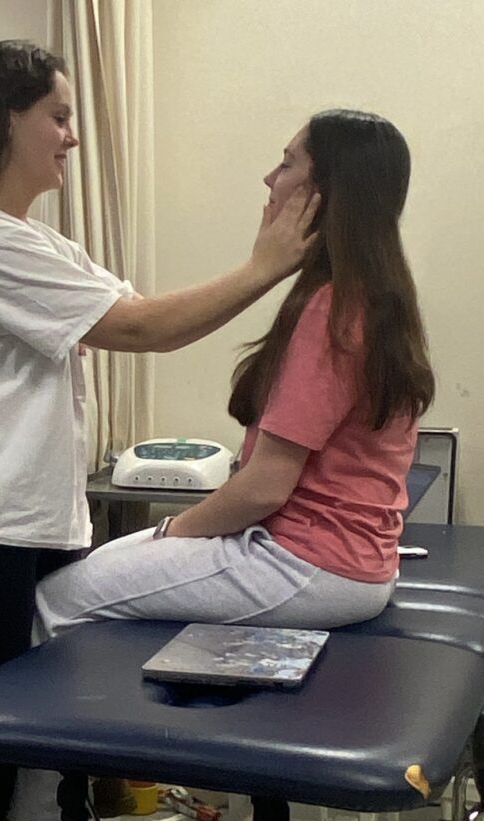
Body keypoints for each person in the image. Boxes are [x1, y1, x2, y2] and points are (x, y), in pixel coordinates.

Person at [0, 39, 317, 821]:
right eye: (58, 116)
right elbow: (144, 327)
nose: (73, 138)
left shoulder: (32, 236)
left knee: (18, 735)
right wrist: (266, 264)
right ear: (5, 120)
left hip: (26, 522)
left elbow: (129, 305)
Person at [30, 109, 435, 650]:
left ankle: (61, 732)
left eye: (288, 163)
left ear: (323, 192)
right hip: (343, 563)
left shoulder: (335, 310)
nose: (270, 179)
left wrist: (174, 531)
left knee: (57, 596)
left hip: (307, 565)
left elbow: (265, 487)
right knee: (106, 558)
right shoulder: (375, 295)